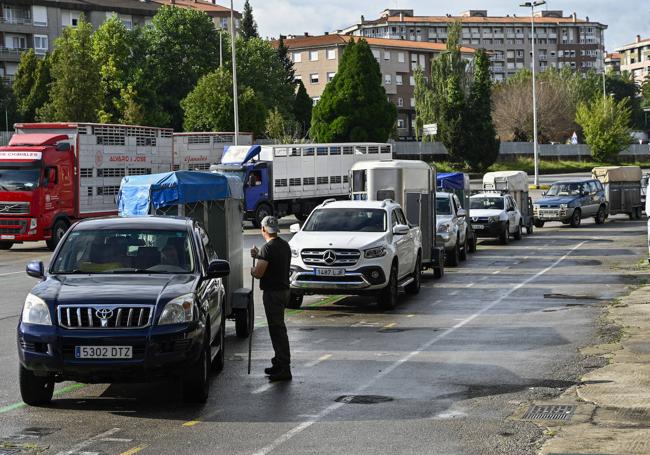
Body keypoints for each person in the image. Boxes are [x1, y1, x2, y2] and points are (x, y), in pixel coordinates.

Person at [250, 216, 292, 382]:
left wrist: (253, 269)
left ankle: (283, 366)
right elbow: (272, 261)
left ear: (263, 229)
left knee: (277, 330)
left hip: (273, 293)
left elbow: (259, 273)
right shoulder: (284, 245)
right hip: (284, 291)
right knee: (278, 328)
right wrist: (259, 255)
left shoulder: (268, 248)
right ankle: (279, 362)